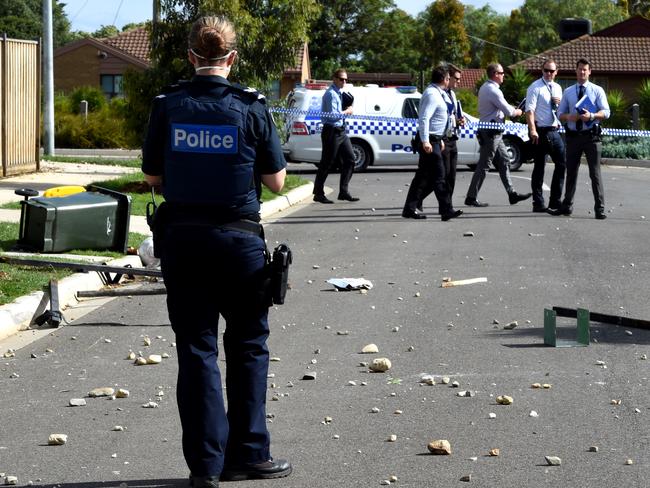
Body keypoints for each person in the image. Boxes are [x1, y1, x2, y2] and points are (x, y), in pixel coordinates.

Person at [141, 16, 291, 487]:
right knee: (248, 347)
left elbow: (151, 178)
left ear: (191, 56)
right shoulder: (251, 106)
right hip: (240, 243)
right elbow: (276, 181)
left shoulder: (168, 105)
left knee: (196, 350)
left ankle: (205, 466)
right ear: (232, 58)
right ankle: (248, 454)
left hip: (183, 243)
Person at [464, 63, 531, 207]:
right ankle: (471, 196)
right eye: (502, 73)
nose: (504, 76)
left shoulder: (486, 88)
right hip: (491, 133)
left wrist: (512, 110)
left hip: (494, 132)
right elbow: (510, 112)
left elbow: (501, 108)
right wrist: (519, 111)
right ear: (495, 74)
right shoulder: (493, 90)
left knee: (505, 160)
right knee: (484, 165)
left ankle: (512, 193)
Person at [551, 58, 610, 219]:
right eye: (580, 69)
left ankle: (600, 209)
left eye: (585, 69)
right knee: (571, 172)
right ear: (575, 71)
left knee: (595, 173)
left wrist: (592, 115)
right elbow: (559, 114)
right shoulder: (568, 91)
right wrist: (570, 116)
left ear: (589, 72)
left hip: (591, 137)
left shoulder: (597, 90)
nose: (582, 72)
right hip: (573, 138)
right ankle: (567, 206)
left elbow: (606, 112)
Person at [402, 65, 462, 221]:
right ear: (444, 79)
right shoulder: (431, 94)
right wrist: (426, 141)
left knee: (422, 177)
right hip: (429, 141)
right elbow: (424, 118)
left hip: (436, 139)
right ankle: (446, 210)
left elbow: (439, 120)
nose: (450, 81)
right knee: (440, 176)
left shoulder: (439, 93)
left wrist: (440, 139)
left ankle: (409, 208)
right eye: (449, 78)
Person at [312, 68, 359, 204]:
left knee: (350, 159)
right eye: (341, 79)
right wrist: (347, 111)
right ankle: (318, 193)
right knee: (327, 163)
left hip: (341, 131)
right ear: (334, 79)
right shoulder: (331, 94)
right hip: (331, 130)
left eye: (345, 79)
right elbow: (332, 116)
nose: (344, 81)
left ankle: (343, 192)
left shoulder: (339, 93)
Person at [525, 59, 566, 213]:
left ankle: (555, 201)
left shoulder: (557, 87)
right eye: (546, 70)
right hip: (541, 131)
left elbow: (561, 110)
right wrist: (532, 130)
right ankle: (538, 202)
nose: (549, 73)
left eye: (551, 71)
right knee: (539, 167)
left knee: (562, 163)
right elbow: (529, 111)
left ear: (556, 72)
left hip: (555, 130)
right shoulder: (535, 87)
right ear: (542, 71)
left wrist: (560, 103)